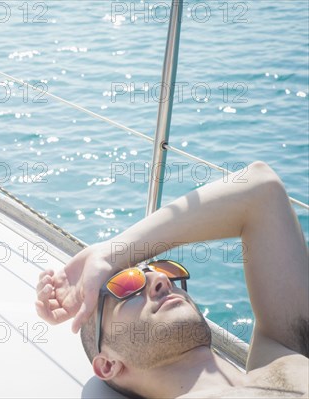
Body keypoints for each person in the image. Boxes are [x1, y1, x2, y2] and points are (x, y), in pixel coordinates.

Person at [36, 161, 308, 398]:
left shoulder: (282, 352)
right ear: (108, 364)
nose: (161, 281)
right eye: (128, 287)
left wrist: (114, 253)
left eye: (165, 271)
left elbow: (261, 188)